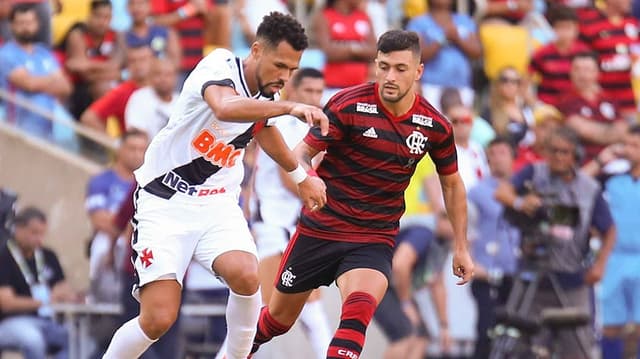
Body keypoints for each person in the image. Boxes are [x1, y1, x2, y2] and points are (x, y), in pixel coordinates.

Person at [101, 11, 329, 359]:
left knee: (247, 275)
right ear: (255, 50)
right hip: (165, 200)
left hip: (217, 203)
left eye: (291, 70)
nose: (284, 76)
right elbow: (224, 108)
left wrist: (301, 178)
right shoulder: (218, 65)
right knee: (158, 319)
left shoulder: (267, 95)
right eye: (280, 65)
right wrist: (290, 107)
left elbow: (263, 129)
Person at [249, 30, 474, 359]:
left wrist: (461, 247)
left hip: (373, 236)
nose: (389, 76)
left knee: (356, 315)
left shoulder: (433, 125)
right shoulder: (348, 104)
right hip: (321, 228)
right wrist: (307, 178)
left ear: (419, 71)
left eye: (399, 68)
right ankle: (239, 351)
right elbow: (300, 154)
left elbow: (452, 184)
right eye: (383, 67)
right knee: (277, 320)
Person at [494, 127, 616, 358]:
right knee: (523, 349)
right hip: (533, 278)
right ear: (546, 153)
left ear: (575, 156)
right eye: (554, 151)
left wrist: (600, 265)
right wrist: (522, 203)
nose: (559, 157)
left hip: (572, 279)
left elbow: (609, 229)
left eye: (565, 152)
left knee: (577, 348)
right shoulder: (533, 174)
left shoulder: (588, 189)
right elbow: (502, 192)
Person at [250, 67, 331, 359]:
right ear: (292, 91)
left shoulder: (310, 128)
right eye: (308, 91)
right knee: (262, 310)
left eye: (319, 92)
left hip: (295, 225)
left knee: (310, 306)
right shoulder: (282, 123)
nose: (315, 97)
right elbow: (291, 179)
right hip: (271, 224)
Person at [0, 207, 77, 359]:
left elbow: (63, 289)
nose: (39, 239)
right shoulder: (4, 257)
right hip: (11, 322)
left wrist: (65, 295)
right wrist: (44, 301)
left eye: (42, 234)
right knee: (34, 341)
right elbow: (7, 302)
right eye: (34, 233)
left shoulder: (48, 255)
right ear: (18, 229)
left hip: (46, 320)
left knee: (74, 339)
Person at [467, 137, 519, 359]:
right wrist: (469, 263)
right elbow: (465, 230)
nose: (496, 158)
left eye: (502, 152)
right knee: (487, 332)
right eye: (493, 153)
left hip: (516, 274)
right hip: (486, 273)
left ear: (513, 158)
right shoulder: (476, 192)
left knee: (517, 336)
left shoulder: (523, 191)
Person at [595, 125, 640, 359]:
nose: (628, 150)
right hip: (615, 258)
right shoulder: (612, 178)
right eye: (627, 144)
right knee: (611, 325)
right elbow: (581, 179)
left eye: (634, 145)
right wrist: (602, 158)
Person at [0, 3, 72, 139]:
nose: (25, 27)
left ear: (37, 24)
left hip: (51, 126)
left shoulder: (44, 53)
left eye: (29, 22)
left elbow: (66, 87)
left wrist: (37, 82)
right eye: (20, 23)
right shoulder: (5, 54)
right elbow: (29, 84)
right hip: (19, 125)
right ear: (11, 26)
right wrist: (52, 79)